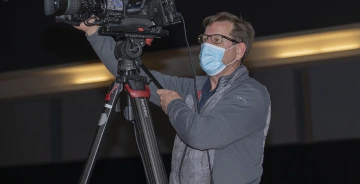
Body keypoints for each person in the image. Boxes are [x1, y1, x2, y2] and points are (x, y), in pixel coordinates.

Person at [75, 11, 271, 184]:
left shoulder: (250, 94)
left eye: (217, 40)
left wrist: (175, 104)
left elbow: (201, 135)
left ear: (239, 50)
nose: (206, 45)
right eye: (205, 38)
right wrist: (94, 32)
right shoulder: (192, 88)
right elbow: (140, 77)